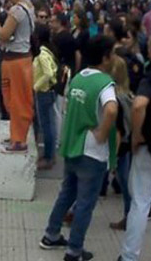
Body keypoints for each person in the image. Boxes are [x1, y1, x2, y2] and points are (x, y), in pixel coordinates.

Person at [40, 36, 118, 261]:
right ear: (104, 58)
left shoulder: (77, 79)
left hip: (72, 145)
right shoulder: (105, 83)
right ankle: (74, 250)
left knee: (67, 193)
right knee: (85, 203)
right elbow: (111, 110)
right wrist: (103, 133)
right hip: (92, 151)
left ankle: (51, 234)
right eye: (111, 53)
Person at [0, 0, 36, 153]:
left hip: (15, 60)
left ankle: (19, 140)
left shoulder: (17, 11)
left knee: (16, 100)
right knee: (16, 99)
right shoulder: (28, 6)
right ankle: (16, 135)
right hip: (22, 59)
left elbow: (4, 34)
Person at [119, 69, 151, 261]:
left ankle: (129, 256)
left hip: (147, 147)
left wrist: (137, 134)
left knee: (140, 200)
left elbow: (139, 105)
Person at [107, 55, 133, 232]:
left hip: (118, 147)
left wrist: (113, 158)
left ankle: (129, 216)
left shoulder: (115, 98)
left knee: (125, 183)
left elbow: (117, 130)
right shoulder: (128, 95)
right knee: (125, 183)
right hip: (127, 145)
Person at [33, 23, 59, 170]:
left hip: (43, 91)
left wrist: (35, 86)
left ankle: (49, 157)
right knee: (49, 124)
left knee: (46, 125)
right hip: (48, 91)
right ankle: (49, 154)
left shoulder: (42, 54)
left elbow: (48, 73)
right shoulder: (48, 50)